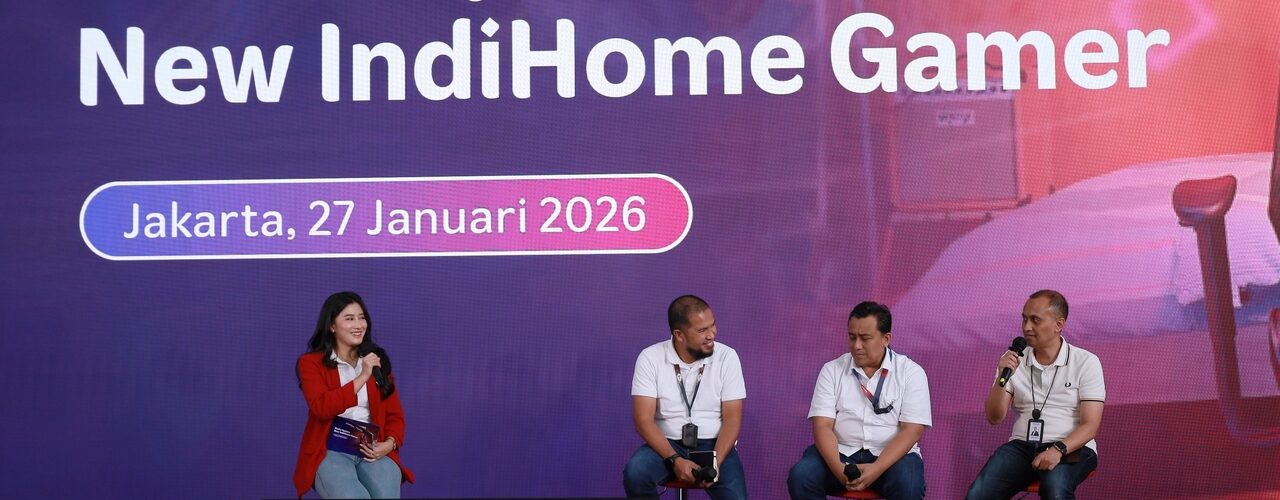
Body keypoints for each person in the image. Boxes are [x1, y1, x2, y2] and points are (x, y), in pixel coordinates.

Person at [965, 290, 1104, 500]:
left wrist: (1058, 449)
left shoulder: (1086, 362)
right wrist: (1002, 378)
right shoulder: (1013, 360)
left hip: (1071, 447)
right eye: (1024, 319)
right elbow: (994, 417)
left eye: (1035, 320)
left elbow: (1090, 426)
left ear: (1058, 324)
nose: (1026, 327)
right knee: (978, 494)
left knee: (1054, 488)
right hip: (1022, 446)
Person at [787, 301, 931, 500]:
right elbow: (822, 426)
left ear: (886, 339)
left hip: (892, 458)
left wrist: (877, 468)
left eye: (865, 338)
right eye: (852, 337)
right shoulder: (831, 370)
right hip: (841, 454)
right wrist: (839, 470)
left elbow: (912, 430)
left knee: (909, 484)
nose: (857, 346)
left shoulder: (911, 373)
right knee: (801, 476)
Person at [623, 295, 748, 499]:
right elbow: (643, 420)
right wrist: (674, 459)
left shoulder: (727, 357)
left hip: (714, 445)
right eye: (702, 330)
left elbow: (733, 419)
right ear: (679, 335)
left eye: (713, 325)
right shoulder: (650, 358)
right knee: (635, 473)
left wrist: (715, 463)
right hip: (667, 444)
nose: (712, 334)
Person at [293, 291, 414, 498]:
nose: (358, 325)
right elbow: (322, 407)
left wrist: (390, 443)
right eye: (349, 319)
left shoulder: (376, 361)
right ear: (332, 326)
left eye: (362, 317)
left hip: (371, 449)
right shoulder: (310, 363)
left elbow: (395, 415)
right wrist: (362, 376)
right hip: (329, 449)